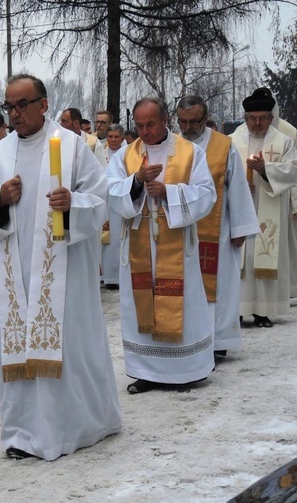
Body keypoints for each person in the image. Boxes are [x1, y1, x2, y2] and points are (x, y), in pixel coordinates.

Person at [0, 74, 121, 461]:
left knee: (68, 346)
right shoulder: (0, 152)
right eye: (9, 106)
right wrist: (0, 201)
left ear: (43, 104)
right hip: (16, 272)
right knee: (20, 347)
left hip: (63, 271)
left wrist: (73, 202)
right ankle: (23, 431)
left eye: (22, 104)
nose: (14, 113)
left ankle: (73, 426)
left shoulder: (72, 147)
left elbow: (100, 198)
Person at [107, 96, 217, 394]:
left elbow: (207, 194)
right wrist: (138, 182)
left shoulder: (189, 152)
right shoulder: (125, 155)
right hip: (139, 245)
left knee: (183, 304)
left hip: (176, 247)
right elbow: (111, 191)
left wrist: (168, 192)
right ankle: (147, 372)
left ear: (165, 118)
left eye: (151, 124)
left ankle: (187, 370)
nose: (145, 131)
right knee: (141, 307)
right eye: (140, 125)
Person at [176, 95, 259, 355]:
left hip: (218, 231)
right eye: (182, 121)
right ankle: (189, 338)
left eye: (193, 121)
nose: (187, 128)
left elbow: (237, 188)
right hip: (179, 232)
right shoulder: (173, 145)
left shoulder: (224, 146)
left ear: (205, 118)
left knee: (220, 285)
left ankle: (217, 342)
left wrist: (241, 229)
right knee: (186, 287)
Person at [233, 87, 297, 299]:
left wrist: (265, 169)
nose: (257, 123)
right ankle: (241, 304)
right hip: (243, 204)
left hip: (274, 202)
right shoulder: (234, 139)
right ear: (246, 117)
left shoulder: (286, 135)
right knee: (244, 255)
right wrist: (237, 184)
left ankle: (273, 300)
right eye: (252, 118)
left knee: (272, 249)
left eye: (262, 118)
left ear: (271, 115)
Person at [101, 123, 127, 290]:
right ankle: (107, 276)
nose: (113, 140)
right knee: (106, 241)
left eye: (116, 137)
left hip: (121, 201)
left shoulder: (129, 153)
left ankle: (121, 275)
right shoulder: (100, 153)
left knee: (120, 238)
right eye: (110, 136)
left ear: (122, 138)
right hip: (105, 201)